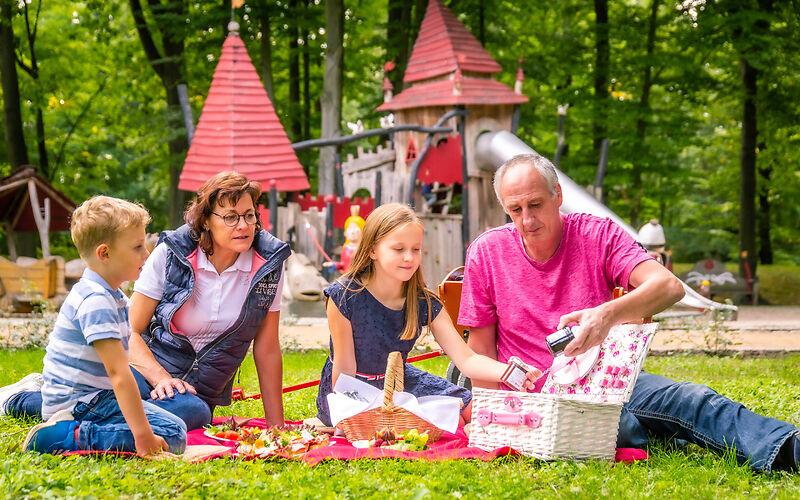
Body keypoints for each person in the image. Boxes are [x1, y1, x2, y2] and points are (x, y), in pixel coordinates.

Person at [459, 153, 800, 473]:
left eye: (535, 204)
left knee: (692, 399)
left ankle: (791, 449)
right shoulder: (487, 252)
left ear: (558, 195)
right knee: (624, 428)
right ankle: (655, 432)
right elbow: (483, 355)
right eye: (515, 210)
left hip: (608, 381)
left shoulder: (597, 234)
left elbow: (669, 287)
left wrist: (605, 315)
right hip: (537, 400)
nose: (527, 220)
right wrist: (495, 418)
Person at [2, 172, 290, 431]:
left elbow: (266, 349)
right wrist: (162, 378)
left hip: (195, 393)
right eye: (230, 217)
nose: (243, 225)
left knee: (193, 411)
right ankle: (19, 400)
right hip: (145, 370)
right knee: (107, 398)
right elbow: (132, 331)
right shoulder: (171, 253)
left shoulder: (268, 265)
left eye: (249, 215)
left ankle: (88, 415)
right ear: (206, 220)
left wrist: (276, 426)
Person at [315, 203, 540, 428]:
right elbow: (345, 371)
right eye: (398, 249)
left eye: (415, 249)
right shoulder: (343, 296)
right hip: (352, 389)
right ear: (373, 250)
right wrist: (347, 419)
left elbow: (467, 359)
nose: (409, 258)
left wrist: (508, 371)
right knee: (454, 422)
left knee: (472, 411)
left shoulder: (422, 301)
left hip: (400, 380)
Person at [19, 196, 186, 456]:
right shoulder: (95, 301)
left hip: (95, 398)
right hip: (79, 404)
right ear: (105, 253)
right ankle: (63, 437)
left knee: (175, 427)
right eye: (138, 247)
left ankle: (72, 430)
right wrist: (142, 437)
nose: (147, 254)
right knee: (171, 434)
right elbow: (119, 374)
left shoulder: (113, 295)